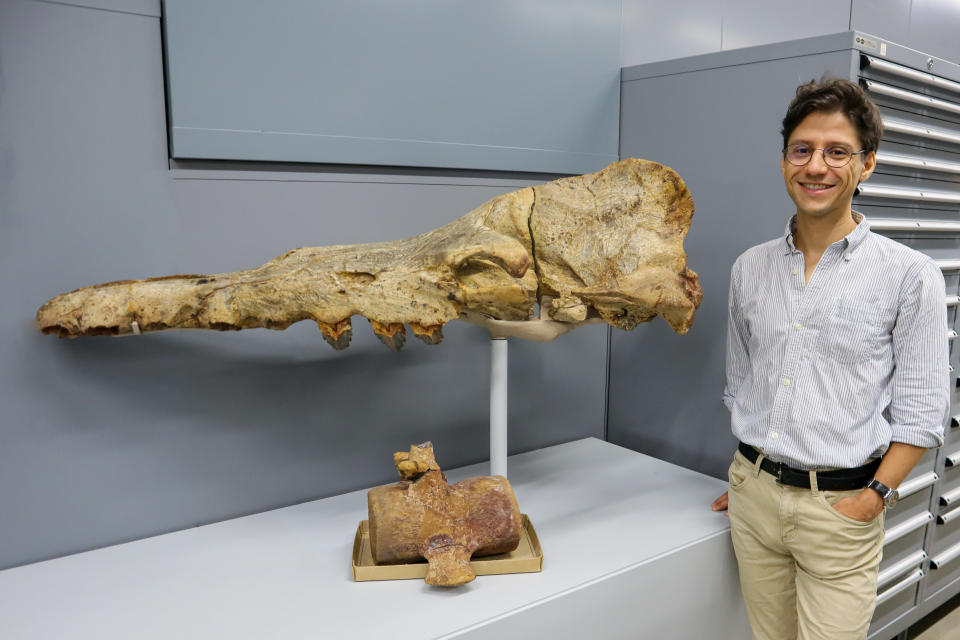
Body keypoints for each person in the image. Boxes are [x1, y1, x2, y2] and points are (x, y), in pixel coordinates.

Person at [711, 78, 949, 640]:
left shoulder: (909, 276)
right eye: (803, 149)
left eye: (837, 152)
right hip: (754, 500)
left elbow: (922, 412)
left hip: (842, 509)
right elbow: (741, 381)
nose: (816, 166)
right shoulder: (750, 267)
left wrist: (875, 498)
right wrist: (754, 472)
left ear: (866, 165)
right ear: (784, 160)